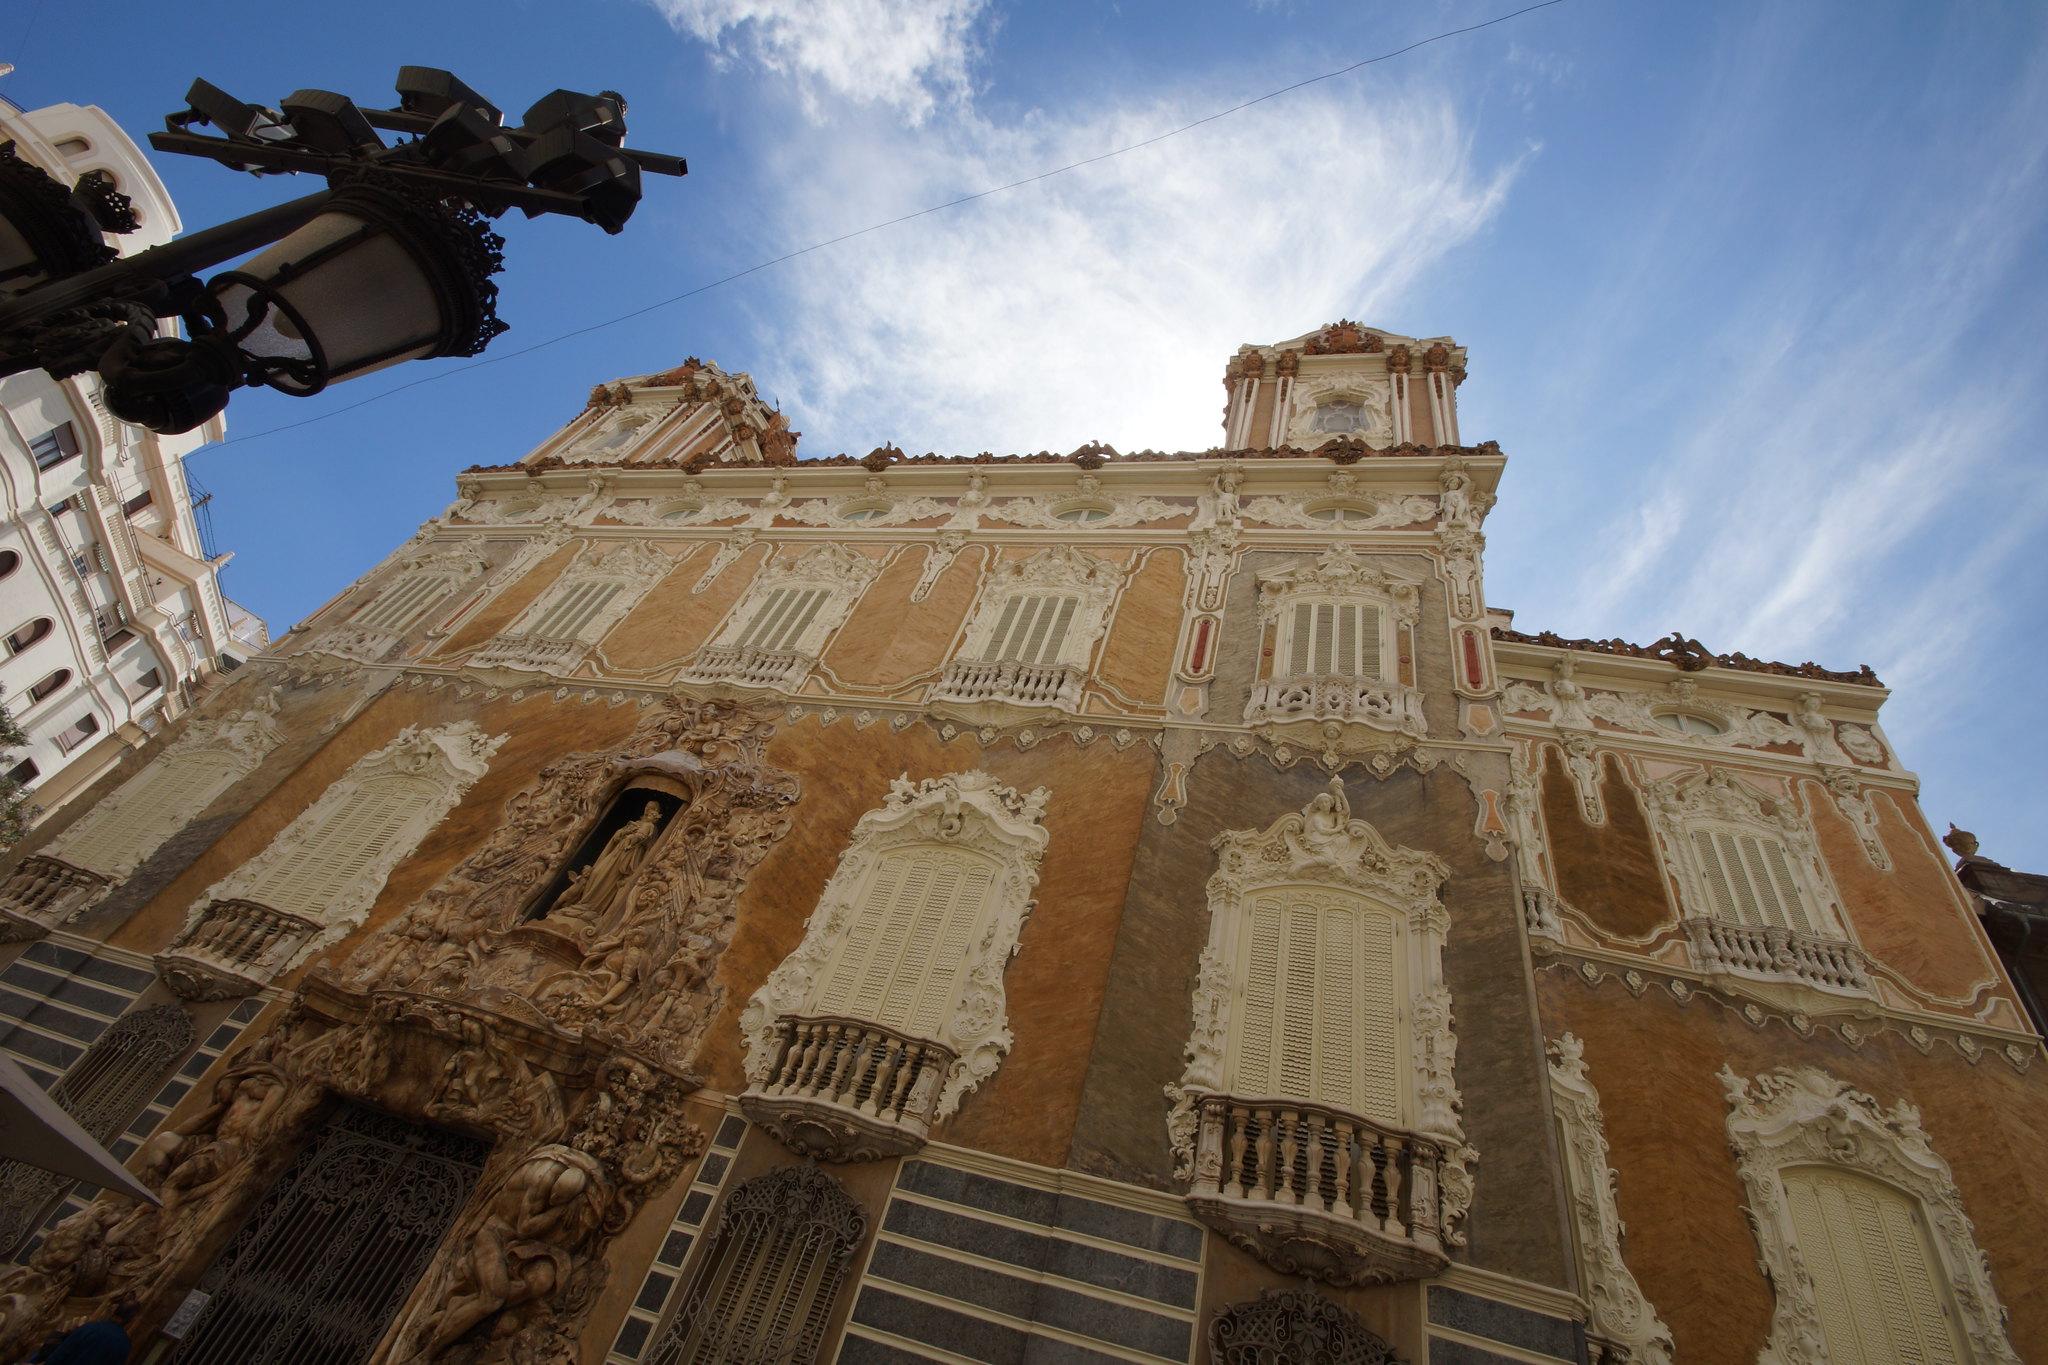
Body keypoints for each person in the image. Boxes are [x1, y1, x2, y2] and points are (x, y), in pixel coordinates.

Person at [30, 1297, 136, 1363]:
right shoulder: (125, 1345)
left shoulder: (90, 1328)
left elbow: (63, 1351)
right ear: (130, 1320)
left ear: (114, 1311)